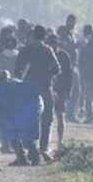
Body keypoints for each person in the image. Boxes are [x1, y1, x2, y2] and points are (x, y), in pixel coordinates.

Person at [14, 25, 60, 162]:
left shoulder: (25, 50)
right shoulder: (48, 50)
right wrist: (47, 75)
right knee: (46, 119)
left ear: (33, 35)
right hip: (45, 88)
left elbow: (17, 70)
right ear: (44, 36)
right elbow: (57, 68)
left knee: (28, 119)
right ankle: (43, 148)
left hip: (28, 89)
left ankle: (31, 149)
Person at [0, 70, 43, 166]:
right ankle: (26, 158)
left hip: (31, 105)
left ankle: (30, 157)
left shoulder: (9, 88)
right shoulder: (10, 86)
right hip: (32, 104)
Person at [47, 36, 74, 147]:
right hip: (48, 87)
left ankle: (60, 141)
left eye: (54, 43)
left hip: (60, 89)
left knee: (60, 115)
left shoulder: (64, 55)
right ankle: (46, 142)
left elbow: (69, 74)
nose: (53, 46)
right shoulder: (45, 54)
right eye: (51, 43)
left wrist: (68, 89)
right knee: (46, 117)